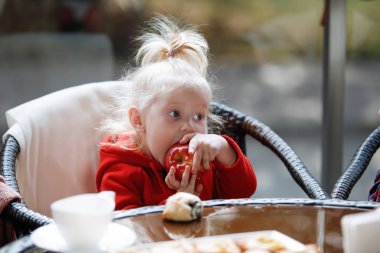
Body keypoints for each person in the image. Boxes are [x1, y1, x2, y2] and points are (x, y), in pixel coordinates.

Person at [96, 15, 257, 210]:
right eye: (175, 114)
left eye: (198, 116)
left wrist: (224, 149)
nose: (189, 126)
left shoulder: (201, 160)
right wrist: (180, 201)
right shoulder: (122, 169)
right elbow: (127, 227)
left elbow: (243, 192)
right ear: (138, 120)